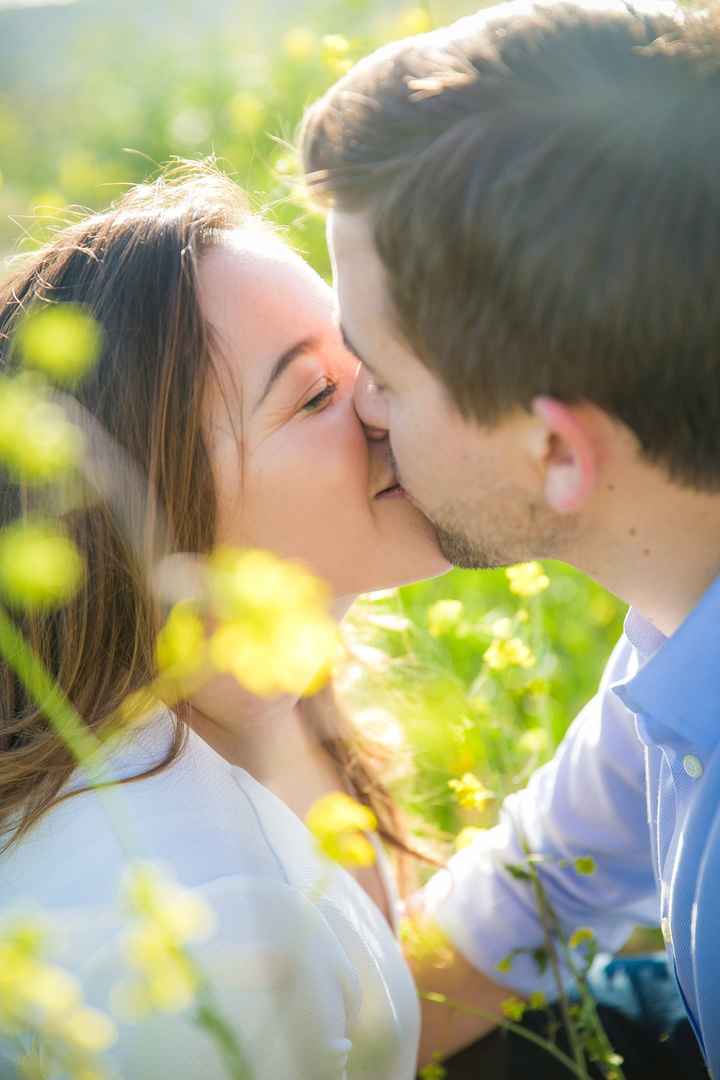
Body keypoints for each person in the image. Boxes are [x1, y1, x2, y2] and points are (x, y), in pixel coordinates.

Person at [300, 2, 720, 1075]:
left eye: (383, 377)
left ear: (557, 453)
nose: (365, 416)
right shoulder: (680, 628)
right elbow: (537, 890)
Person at [0, 161, 449, 1079]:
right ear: (140, 517)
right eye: (314, 394)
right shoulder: (201, 915)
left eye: (362, 345)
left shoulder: (288, 714)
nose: (384, 394)